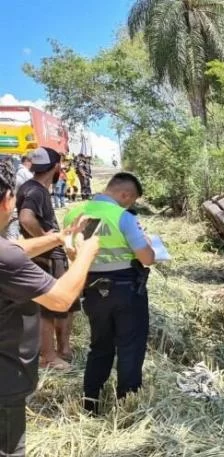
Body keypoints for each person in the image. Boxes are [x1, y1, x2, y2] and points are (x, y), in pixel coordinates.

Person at [0, 169, 99, 456]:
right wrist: (87, 254)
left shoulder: (7, 251)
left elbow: (16, 248)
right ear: (7, 201)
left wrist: (61, 237)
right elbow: (60, 299)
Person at [63, 172, 155, 414]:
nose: (130, 204)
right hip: (126, 290)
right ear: (124, 194)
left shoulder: (73, 214)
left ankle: (90, 402)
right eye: (131, 199)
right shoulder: (122, 217)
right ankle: (127, 405)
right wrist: (151, 248)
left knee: (100, 346)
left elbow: (71, 252)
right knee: (130, 347)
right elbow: (146, 257)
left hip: (92, 290)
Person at [16, 147, 77, 369]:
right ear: (55, 167)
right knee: (48, 308)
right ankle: (49, 357)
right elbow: (25, 218)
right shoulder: (36, 191)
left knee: (64, 304)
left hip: (49, 255)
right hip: (47, 258)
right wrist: (44, 239)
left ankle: (62, 350)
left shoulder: (33, 187)